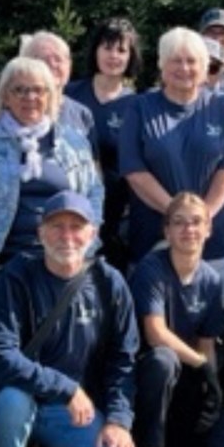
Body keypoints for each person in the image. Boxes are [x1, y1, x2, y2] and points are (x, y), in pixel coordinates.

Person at [0, 192, 140, 447]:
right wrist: (66, 388)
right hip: (29, 400)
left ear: (93, 234)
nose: (67, 236)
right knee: (11, 399)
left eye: (76, 227)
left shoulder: (109, 283)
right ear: (40, 234)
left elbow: (123, 360)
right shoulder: (17, 275)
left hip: (72, 412)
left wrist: (118, 420)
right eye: (56, 227)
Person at [130, 193, 224, 447]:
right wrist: (202, 365)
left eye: (196, 222)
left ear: (209, 229)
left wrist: (213, 388)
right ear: (166, 231)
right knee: (163, 359)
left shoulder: (209, 279)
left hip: (188, 375)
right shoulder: (151, 269)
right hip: (147, 373)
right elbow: (155, 332)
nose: (188, 230)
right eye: (178, 223)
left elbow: (207, 343)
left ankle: (175, 439)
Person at [0, 57, 102, 275]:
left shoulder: (74, 141)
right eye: (20, 90)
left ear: (50, 97)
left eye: (39, 90)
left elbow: (94, 191)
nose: (30, 97)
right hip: (3, 256)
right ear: (5, 97)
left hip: (65, 254)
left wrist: (89, 240)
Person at [119, 28, 224, 278]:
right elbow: (133, 170)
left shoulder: (221, 107)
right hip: (153, 237)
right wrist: (180, 219)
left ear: (205, 66)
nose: (184, 68)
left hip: (212, 239)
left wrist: (199, 221)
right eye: (175, 60)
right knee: (153, 313)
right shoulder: (139, 108)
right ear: (162, 65)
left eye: (191, 61)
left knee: (213, 314)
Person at [64, 17, 142, 270]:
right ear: (95, 50)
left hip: (117, 215)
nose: (113, 56)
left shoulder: (137, 105)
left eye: (121, 50)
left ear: (131, 56)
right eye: (107, 47)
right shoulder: (69, 95)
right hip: (71, 205)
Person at [21, 30, 94, 139]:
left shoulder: (82, 114)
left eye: (58, 59)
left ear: (69, 65)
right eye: (44, 59)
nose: (52, 64)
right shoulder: (18, 111)